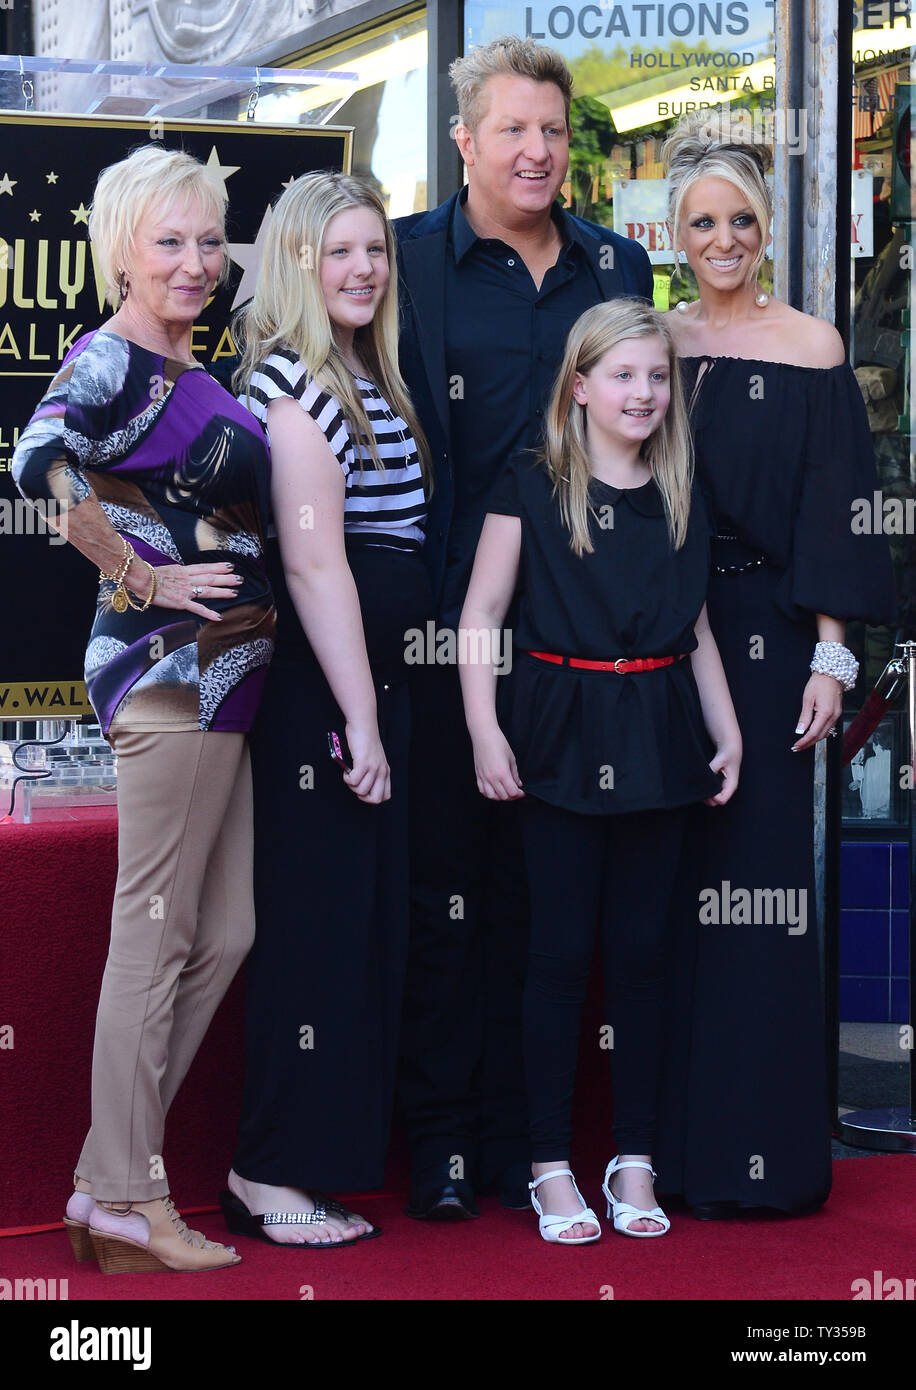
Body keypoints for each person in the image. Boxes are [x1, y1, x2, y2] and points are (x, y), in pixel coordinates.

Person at [393, 33, 655, 1219]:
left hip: (587, 655)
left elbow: (658, 446)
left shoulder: (618, 266)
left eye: (552, 130)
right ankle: (445, 1144)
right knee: (446, 894)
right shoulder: (406, 266)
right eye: (513, 129)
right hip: (446, 639)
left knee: (540, 911)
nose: (538, 150)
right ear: (464, 141)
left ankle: (528, 1145)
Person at [11, 145, 276, 1272]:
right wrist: (144, 576)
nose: (196, 261)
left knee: (222, 932)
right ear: (120, 249)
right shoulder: (112, 358)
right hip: (169, 674)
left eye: (210, 240)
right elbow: (37, 460)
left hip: (227, 686)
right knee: (153, 937)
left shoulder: (194, 366)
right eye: (169, 240)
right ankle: (126, 1192)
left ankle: (108, 1175)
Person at [654, 114, 897, 1217]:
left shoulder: (813, 349)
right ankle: (660, 1151)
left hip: (766, 642)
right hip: (649, 639)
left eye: (740, 219)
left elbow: (836, 517)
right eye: (702, 220)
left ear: (768, 229)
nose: (722, 238)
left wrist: (830, 658)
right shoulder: (652, 346)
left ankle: (760, 1161)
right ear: (671, 233)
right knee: (656, 896)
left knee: (758, 895)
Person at [458, 298, 741, 1243]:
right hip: (558, 731)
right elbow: (480, 617)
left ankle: (635, 1159)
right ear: (579, 387)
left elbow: (696, 626)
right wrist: (484, 733)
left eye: (657, 376)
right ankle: (547, 1163)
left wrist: (726, 727)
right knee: (556, 957)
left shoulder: (682, 488)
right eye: (622, 375)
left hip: (659, 732)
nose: (643, 392)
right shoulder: (532, 482)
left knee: (645, 958)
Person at [220, 171, 432, 1246]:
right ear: (295, 263)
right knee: (315, 934)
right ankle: (269, 1172)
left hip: (373, 685)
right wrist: (363, 721)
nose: (361, 269)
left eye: (375, 251)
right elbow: (313, 567)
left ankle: (310, 1162)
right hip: (324, 697)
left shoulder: (368, 370)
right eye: (335, 252)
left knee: (359, 933)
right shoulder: (293, 382)